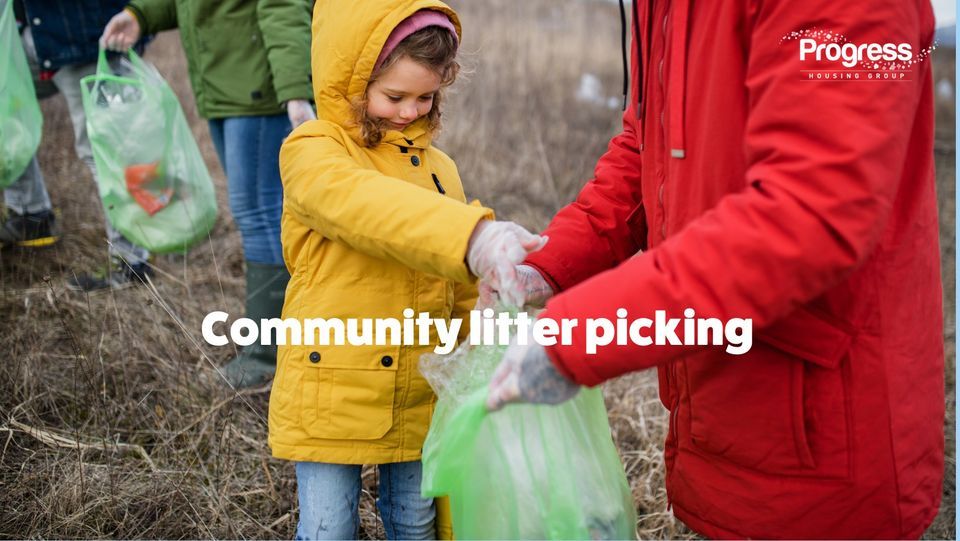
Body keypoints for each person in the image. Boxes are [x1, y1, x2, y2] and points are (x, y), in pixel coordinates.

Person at [484, 0, 944, 539]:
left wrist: (575, 338)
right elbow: (646, 147)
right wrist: (548, 263)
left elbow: (810, 213)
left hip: (826, 432)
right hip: (722, 409)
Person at [268, 1, 545, 539]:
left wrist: (486, 321)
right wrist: (471, 236)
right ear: (350, 77)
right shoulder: (315, 151)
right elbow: (365, 207)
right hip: (335, 385)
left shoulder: (440, 170)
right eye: (394, 96)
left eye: (425, 97)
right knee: (328, 527)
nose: (409, 112)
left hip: (420, 388)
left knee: (415, 524)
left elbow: (455, 283)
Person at [100, 0, 317, 387]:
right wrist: (140, 15)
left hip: (261, 90)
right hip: (227, 87)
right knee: (260, 211)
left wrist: (295, 94)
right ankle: (281, 338)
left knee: (259, 213)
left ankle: (268, 357)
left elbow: (283, 9)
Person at [0, 0, 152, 290]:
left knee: (101, 149)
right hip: (34, 35)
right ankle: (29, 213)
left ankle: (131, 261)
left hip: (83, 36)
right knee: (6, 106)